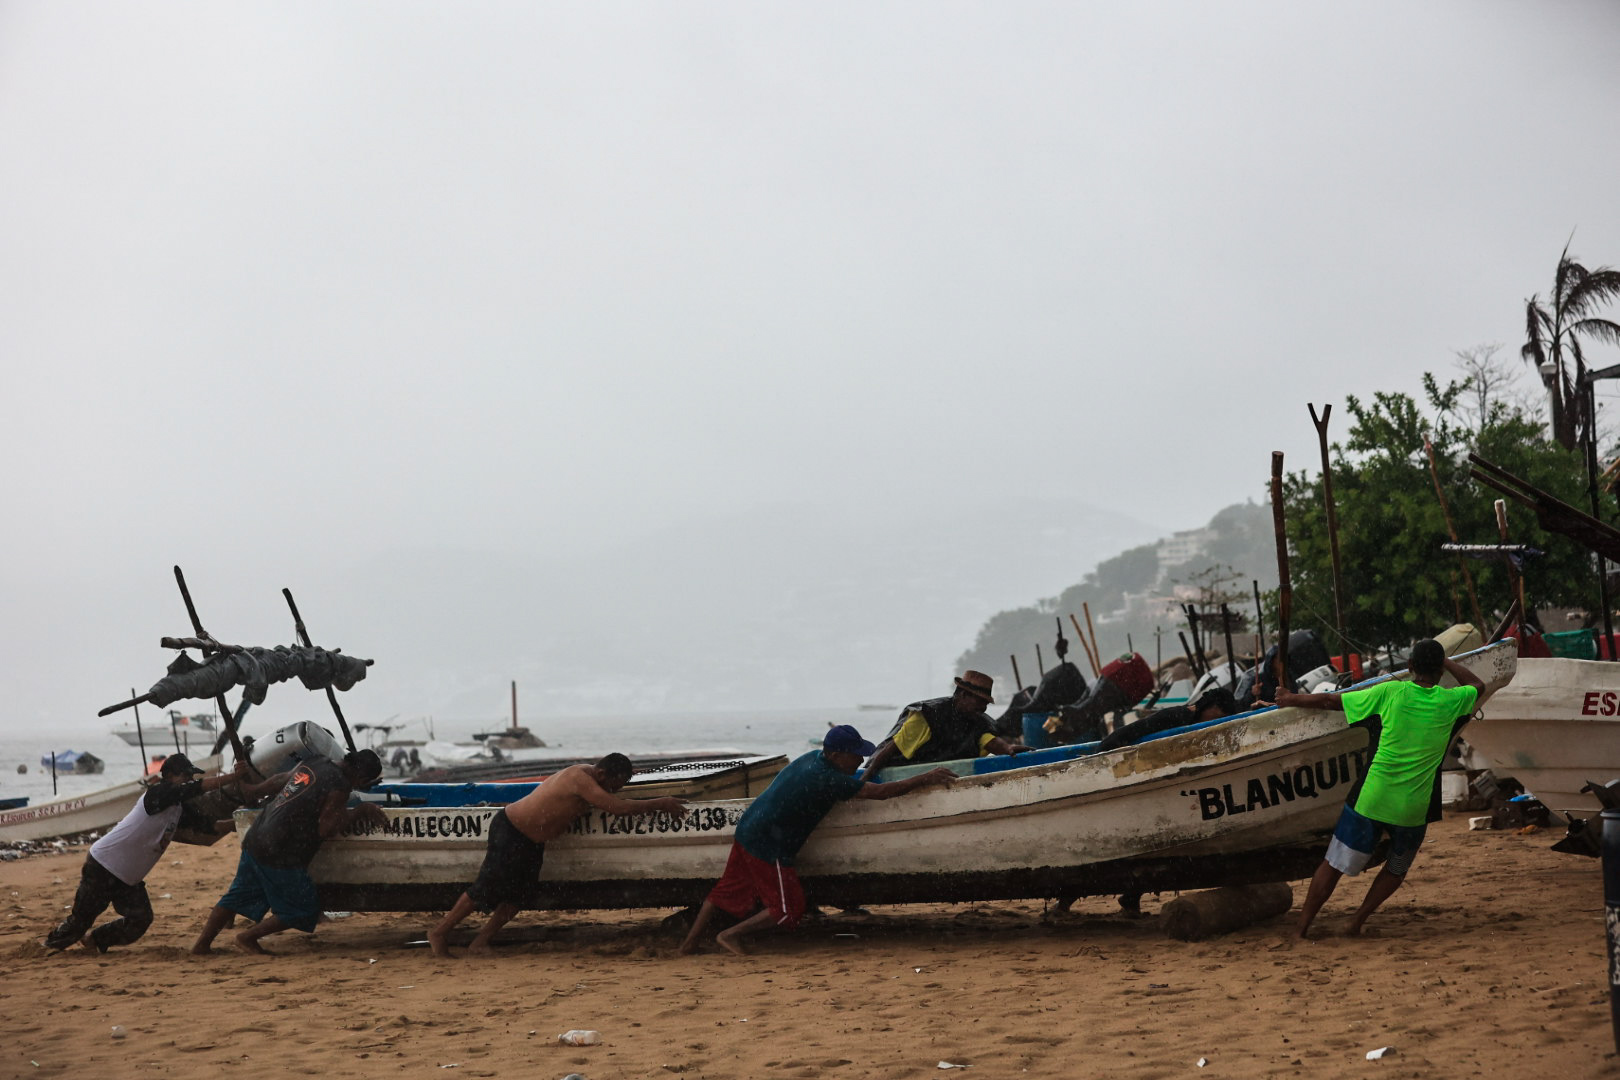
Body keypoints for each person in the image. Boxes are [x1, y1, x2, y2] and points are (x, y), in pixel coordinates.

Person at [1272, 639, 1491, 938]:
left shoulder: (1391, 691)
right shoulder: (1451, 701)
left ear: (1410, 667)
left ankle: (1301, 928)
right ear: (1440, 670)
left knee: (1333, 863)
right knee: (1397, 866)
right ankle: (1356, 920)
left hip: (1371, 800)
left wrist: (1289, 698)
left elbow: (1332, 701)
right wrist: (1447, 662)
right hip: (1412, 811)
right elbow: (1478, 684)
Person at [678, 725, 956, 956]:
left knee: (724, 891)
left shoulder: (812, 757)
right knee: (789, 910)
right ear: (835, 755)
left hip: (749, 827)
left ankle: (689, 944)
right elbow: (881, 793)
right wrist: (925, 778)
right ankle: (729, 934)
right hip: (768, 844)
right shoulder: (828, 779)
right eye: (855, 755)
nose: (860, 760)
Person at [427, 753, 687, 957]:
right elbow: (616, 808)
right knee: (484, 888)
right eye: (612, 785)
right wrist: (661, 803)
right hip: (511, 829)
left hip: (531, 840)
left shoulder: (594, 778)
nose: (612, 791)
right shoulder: (580, 777)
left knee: (519, 896)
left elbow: (609, 801)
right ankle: (440, 933)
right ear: (601, 772)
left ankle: (480, 942)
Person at [43, 753, 250, 953]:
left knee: (140, 920)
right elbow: (195, 788)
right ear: (169, 775)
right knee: (80, 921)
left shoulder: (179, 808)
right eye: (186, 775)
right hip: (103, 865)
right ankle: (46, 948)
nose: (190, 780)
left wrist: (240, 822)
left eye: (191, 776)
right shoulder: (157, 793)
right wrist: (233, 777)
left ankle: (95, 940)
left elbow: (210, 826)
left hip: (129, 878)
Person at [191, 749, 386, 955]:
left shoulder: (316, 759)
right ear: (361, 776)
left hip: (257, 836)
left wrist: (253, 790)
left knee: (237, 896)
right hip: (281, 850)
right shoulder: (340, 785)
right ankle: (247, 937)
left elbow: (280, 780)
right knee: (302, 910)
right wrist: (359, 811)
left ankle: (201, 944)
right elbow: (326, 828)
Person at [862, 671, 1032, 777]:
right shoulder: (928, 715)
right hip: (896, 774)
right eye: (980, 701)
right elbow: (890, 750)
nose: (983, 707)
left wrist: (1008, 749)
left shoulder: (978, 721)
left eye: (986, 703)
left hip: (936, 777)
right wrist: (865, 780)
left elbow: (991, 741)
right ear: (963, 695)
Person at [1094, 686, 1238, 752]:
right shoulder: (1177, 716)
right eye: (1219, 718)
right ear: (1209, 706)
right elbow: (1135, 729)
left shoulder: (1194, 721)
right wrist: (1103, 750)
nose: (1216, 723)